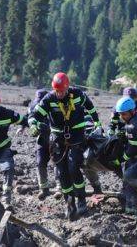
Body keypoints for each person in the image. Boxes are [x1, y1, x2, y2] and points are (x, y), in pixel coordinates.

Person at [29, 72, 101, 220]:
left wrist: (97, 122)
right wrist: (33, 125)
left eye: (62, 91)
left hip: (76, 136)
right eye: (57, 91)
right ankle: (69, 203)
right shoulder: (49, 99)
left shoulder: (78, 95)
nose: (60, 93)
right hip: (58, 139)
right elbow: (34, 115)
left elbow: (90, 107)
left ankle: (81, 200)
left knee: (74, 167)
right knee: (62, 173)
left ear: (67, 88)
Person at [27, 89, 60, 200]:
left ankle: (59, 188)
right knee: (40, 162)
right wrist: (33, 127)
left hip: (55, 139)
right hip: (42, 139)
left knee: (57, 163)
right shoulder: (33, 106)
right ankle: (44, 189)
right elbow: (30, 118)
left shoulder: (54, 106)